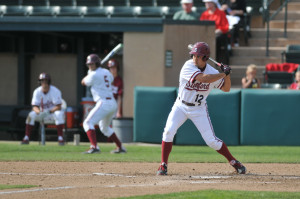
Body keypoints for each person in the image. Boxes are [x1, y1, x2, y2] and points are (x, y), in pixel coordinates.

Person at [157, 42, 246, 175]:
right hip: (181, 106)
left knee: (211, 141)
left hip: (199, 109)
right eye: (193, 55)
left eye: (197, 56)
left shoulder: (213, 72)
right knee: (168, 131)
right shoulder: (188, 66)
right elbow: (203, 79)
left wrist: (228, 75)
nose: (194, 58)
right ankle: (163, 165)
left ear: (204, 58)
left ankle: (234, 161)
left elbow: (226, 89)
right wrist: (223, 74)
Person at [81, 54, 126, 154]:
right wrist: (91, 72)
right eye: (89, 64)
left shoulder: (93, 75)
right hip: (111, 103)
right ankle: (120, 147)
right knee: (104, 128)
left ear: (97, 64)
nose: (90, 66)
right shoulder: (106, 72)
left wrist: (89, 73)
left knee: (87, 123)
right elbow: (111, 80)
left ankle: (94, 147)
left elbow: (83, 82)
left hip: (103, 102)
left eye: (92, 64)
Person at [21, 73, 65, 145]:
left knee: (59, 114)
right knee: (31, 115)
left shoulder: (55, 91)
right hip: (41, 114)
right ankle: (26, 138)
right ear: (39, 82)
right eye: (42, 81)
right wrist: (39, 112)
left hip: (52, 114)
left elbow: (59, 106)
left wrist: (49, 111)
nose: (44, 82)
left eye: (45, 80)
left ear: (49, 81)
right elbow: (34, 106)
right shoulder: (37, 91)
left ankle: (60, 138)